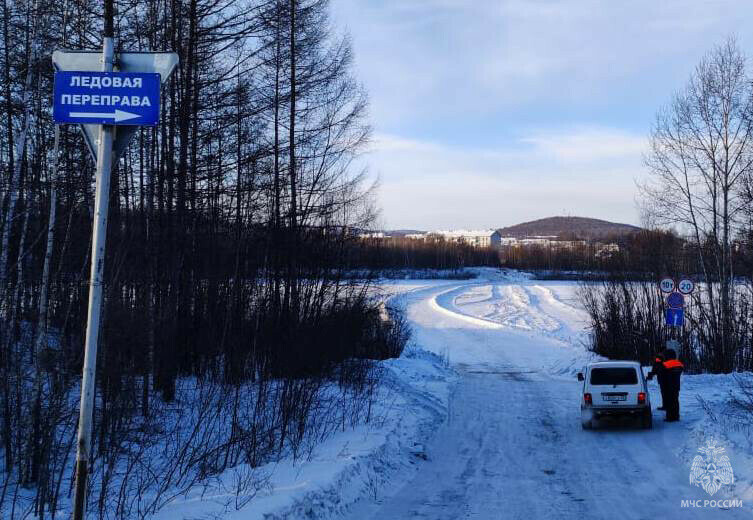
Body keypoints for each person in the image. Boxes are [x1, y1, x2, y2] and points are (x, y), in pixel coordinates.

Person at [659, 349, 684, 422]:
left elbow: (662, 376)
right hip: (676, 386)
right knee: (675, 401)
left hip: (667, 387)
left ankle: (669, 417)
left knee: (669, 402)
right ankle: (676, 416)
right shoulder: (679, 364)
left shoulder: (664, 364)